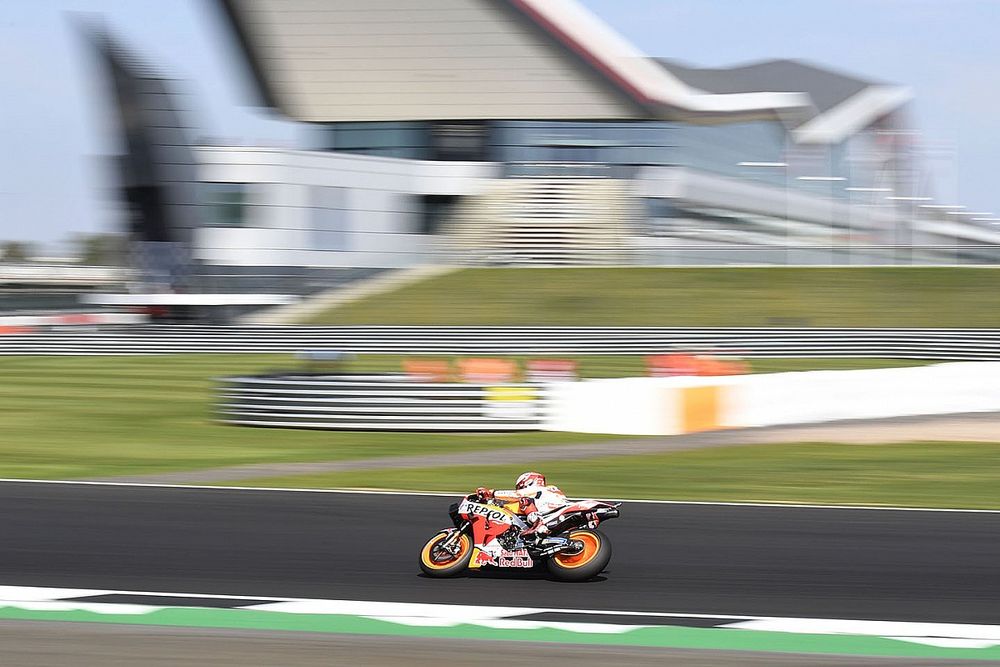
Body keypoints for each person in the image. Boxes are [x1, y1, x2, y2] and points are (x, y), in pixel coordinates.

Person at [476, 471, 568, 539]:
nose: (520, 489)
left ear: (528, 482)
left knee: (524, 500)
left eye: (520, 487)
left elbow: (517, 495)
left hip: (550, 515)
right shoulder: (549, 489)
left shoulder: (536, 489)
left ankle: (538, 524)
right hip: (557, 514)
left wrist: (492, 494)